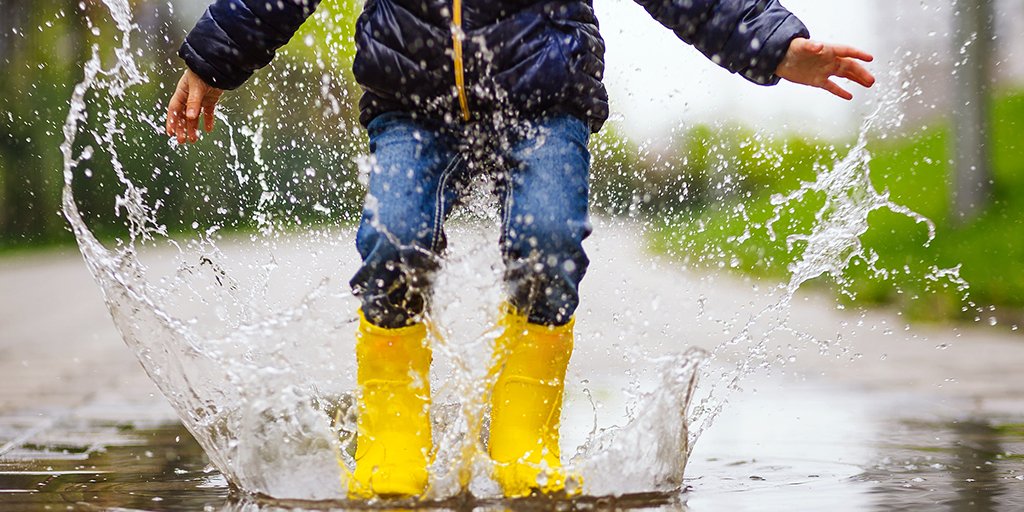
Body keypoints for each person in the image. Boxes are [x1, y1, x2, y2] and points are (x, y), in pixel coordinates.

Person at [165, 0, 875, 500]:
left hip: (544, 101)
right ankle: (391, 435)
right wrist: (212, 60)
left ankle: (525, 432)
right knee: (393, 243)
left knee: (548, 241)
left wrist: (773, 43)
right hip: (411, 104)